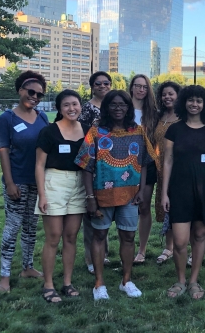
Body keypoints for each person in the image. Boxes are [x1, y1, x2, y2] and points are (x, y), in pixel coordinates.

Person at [75, 90, 154, 300]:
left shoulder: (138, 131)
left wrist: (141, 190)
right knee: (99, 236)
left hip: (130, 195)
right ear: (106, 107)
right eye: (113, 105)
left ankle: (126, 280)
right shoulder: (96, 132)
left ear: (128, 107)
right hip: (102, 196)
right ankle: (99, 284)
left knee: (128, 237)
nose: (118, 108)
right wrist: (90, 198)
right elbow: (85, 166)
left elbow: (144, 163)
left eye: (123, 105)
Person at [161, 85, 205, 300]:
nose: (194, 104)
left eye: (199, 100)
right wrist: (164, 193)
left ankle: (193, 281)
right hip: (179, 188)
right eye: (190, 100)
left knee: (199, 235)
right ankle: (180, 279)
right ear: (184, 102)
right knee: (179, 241)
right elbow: (167, 161)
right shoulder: (174, 130)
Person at [0, 71, 49, 293]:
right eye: (31, 92)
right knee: (13, 227)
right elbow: (3, 151)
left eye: (39, 94)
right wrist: (9, 182)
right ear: (20, 90)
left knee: (30, 228)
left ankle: (27, 267)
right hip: (16, 182)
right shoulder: (7, 118)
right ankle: (4, 277)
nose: (35, 96)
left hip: (37, 183)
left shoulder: (42, 118)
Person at [35, 90, 89, 302]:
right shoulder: (49, 132)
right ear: (59, 109)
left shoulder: (87, 130)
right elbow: (39, 165)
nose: (71, 108)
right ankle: (48, 284)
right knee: (53, 236)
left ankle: (67, 282)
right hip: (54, 182)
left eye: (75, 104)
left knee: (70, 236)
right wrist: (42, 194)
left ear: (80, 106)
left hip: (79, 184)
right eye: (66, 105)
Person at [78, 71, 112, 273]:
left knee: (104, 212)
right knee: (91, 213)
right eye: (98, 83)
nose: (102, 86)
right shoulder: (87, 109)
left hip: (109, 166)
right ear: (92, 86)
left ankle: (104, 255)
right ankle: (91, 258)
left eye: (106, 83)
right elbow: (82, 136)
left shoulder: (113, 106)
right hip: (92, 162)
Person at [128, 74, 159, 265]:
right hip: (123, 164)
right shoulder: (122, 108)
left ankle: (142, 250)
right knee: (125, 207)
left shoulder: (153, 113)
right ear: (131, 88)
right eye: (137, 86)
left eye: (144, 87)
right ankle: (125, 245)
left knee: (144, 206)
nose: (141, 89)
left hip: (147, 164)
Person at [153, 81, 181, 265]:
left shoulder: (183, 117)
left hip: (178, 168)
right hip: (160, 168)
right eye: (164, 94)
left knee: (181, 208)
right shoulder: (158, 116)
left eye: (171, 94)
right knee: (166, 207)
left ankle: (186, 247)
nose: (167, 97)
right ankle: (169, 247)